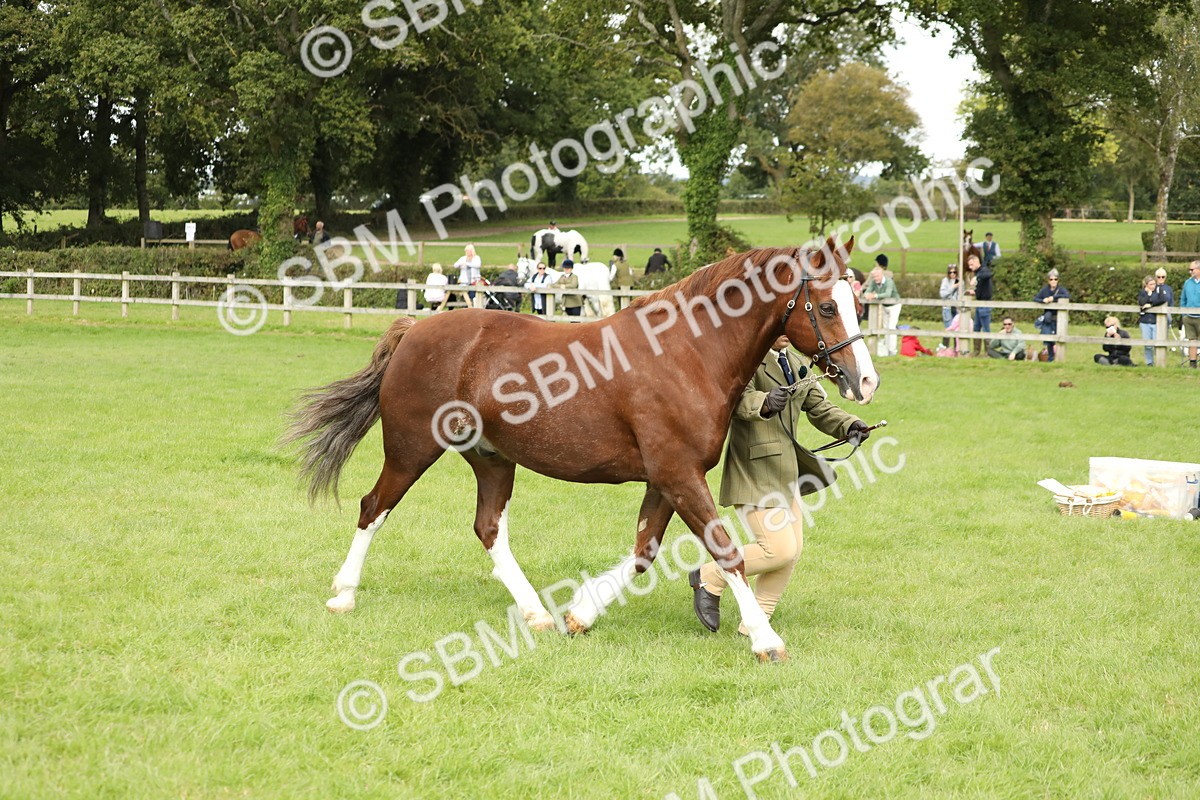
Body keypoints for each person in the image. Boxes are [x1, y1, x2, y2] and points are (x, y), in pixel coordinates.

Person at [688, 336, 871, 634]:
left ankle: (755, 621)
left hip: (786, 472)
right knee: (778, 550)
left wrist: (850, 425)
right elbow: (735, 400)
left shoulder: (797, 362)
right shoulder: (746, 359)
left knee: (792, 551)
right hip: (754, 470)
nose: (787, 334)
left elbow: (819, 407)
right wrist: (764, 403)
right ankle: (710, 575)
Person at [862, 257, 902, 357]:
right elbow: (868, 290)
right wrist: (867, 294)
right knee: (885, 328)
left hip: (894, 306)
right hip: (884, 306)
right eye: (874, 277)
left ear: (881, 275)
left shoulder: (889, 281)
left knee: (891, 327)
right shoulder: (874, 282)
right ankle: (887, 349)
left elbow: (887, 294)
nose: (875, 279)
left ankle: (892, 351)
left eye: (877, 277)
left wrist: (874, 295)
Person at [1033, 269, 1070, 362]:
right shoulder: (1044, 290)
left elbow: (1067, 295)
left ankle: (1059, 359)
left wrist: (1053, 298)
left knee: (1059, 339)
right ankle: (1050, 359)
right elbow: (1035, 298)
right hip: (1048, 318)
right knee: (1049, 339)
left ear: (1058, 280)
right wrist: (1043, 300)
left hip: (1059, 318)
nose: (1053, 281)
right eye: (1051, 279)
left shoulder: (1061, 289)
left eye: (1055, 279)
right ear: (1048, 280)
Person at [1137, 275, 1169, 366]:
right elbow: (1141, 302)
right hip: (1145, 321)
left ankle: (1159, 362)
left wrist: (1151, 305)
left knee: (1157, 343)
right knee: (1147, 344)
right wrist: (1149, 295)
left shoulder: (1159, 291)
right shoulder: (1143, 292)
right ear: (1146, 285)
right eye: (1150, 284)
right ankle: (1149, 362)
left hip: (1156, 321)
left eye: (1154, 284)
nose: (1153, 286)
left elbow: (1163, 299)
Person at [965, 253, 993, 356]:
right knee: (976, 327)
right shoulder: (978, 273)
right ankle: (976, 351)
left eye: (972, 264)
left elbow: (988, 274)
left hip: (985, 304)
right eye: (969, 265)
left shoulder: (983, 270)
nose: (970, 267)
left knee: (986, 328)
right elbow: (981, 288)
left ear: (977, 262)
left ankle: (988, 352)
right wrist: (974, 292)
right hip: (979, 303)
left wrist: (976, 277)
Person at [1183, 261, 1200, 368]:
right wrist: (1183, 314)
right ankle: (1192, 363)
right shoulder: (1187, 283)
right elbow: (1183, 299)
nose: (1190, 272)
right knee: (1191, 340)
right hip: (1189, 317)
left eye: (1192, 269)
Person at [938, 264, 960, 346]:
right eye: (950, 272)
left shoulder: (960, 281)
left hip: (957, 308)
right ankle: (945, 348)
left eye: (954, 272)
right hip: (947, 308)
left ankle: (956, 348)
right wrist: (952, 287)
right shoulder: (945, 281)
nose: (952, 274)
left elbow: (961, 295)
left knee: (956, 329)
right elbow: (942, 294)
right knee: (948, 328)